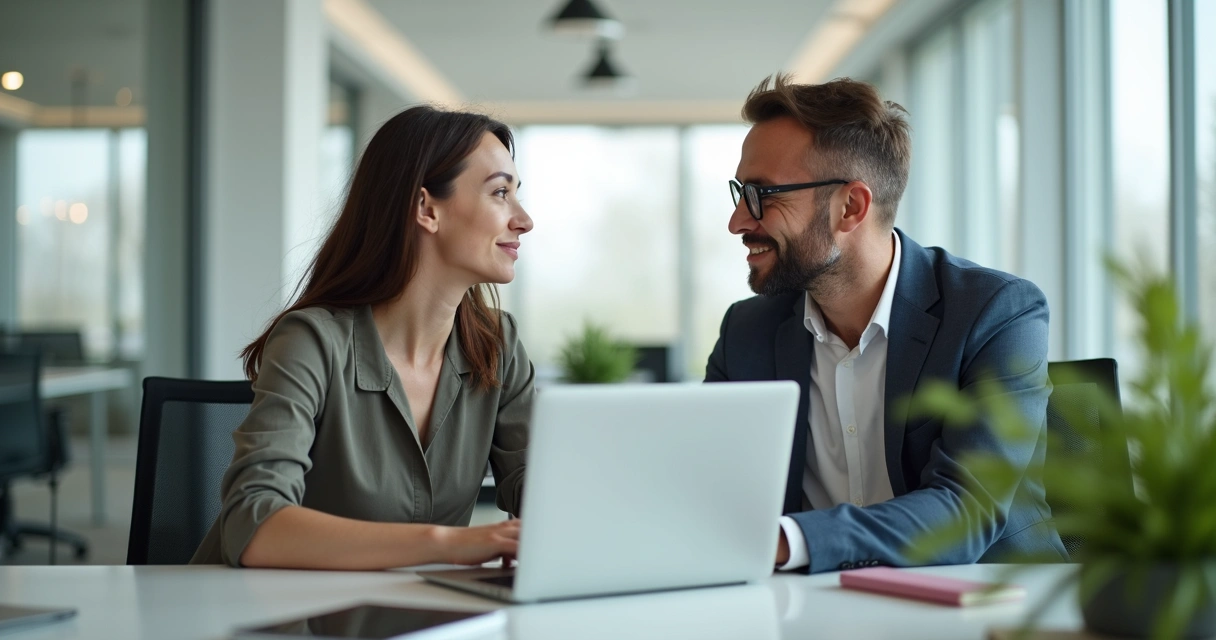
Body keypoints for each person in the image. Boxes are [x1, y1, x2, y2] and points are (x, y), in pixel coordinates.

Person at [706, 75, 1067, 573]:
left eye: (763, 194)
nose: (739, 221)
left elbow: (965, 512)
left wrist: (791, 541)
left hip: (995, 606)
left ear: (851, 207)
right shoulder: (746, 332)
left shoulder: (997, 312)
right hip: (808, 609)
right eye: (740, 193)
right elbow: (708, 491)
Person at [191, 106, 535, 569]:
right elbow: (255, 525)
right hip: (273, 618)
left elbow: (544, 491)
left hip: (416, 618)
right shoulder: (312, 342)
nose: (524, 219)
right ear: (426, 209)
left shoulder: (498, 346)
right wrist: (452, 544)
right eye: (500, 193)